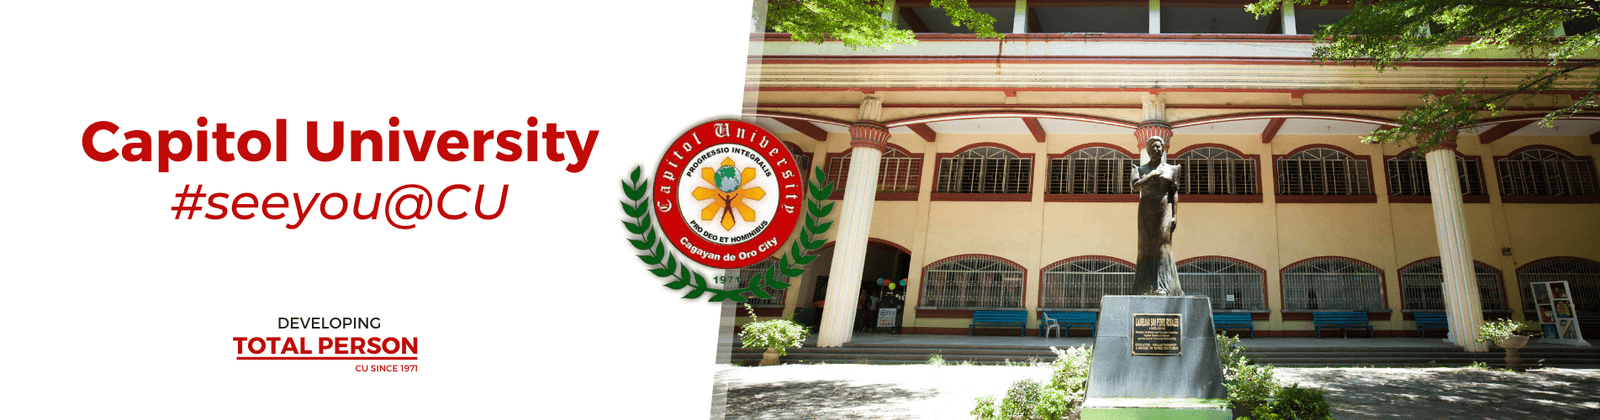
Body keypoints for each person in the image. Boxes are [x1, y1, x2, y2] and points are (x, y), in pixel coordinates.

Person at [1131, 137, 1182, 296]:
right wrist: (1151, 175)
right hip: (1146, 209)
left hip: (1164, 208)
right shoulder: (1139, 169)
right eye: (1152, 147)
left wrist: (1175, 216)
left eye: (1158, 147)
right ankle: (1145, 287)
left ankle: (1164, 285)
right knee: (1146, 247)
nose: (1155, 150)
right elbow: (1135, 186)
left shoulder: (1172, 169)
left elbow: (1174, 193)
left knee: (1163, 245)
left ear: (1163, 149)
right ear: (1147, 151)